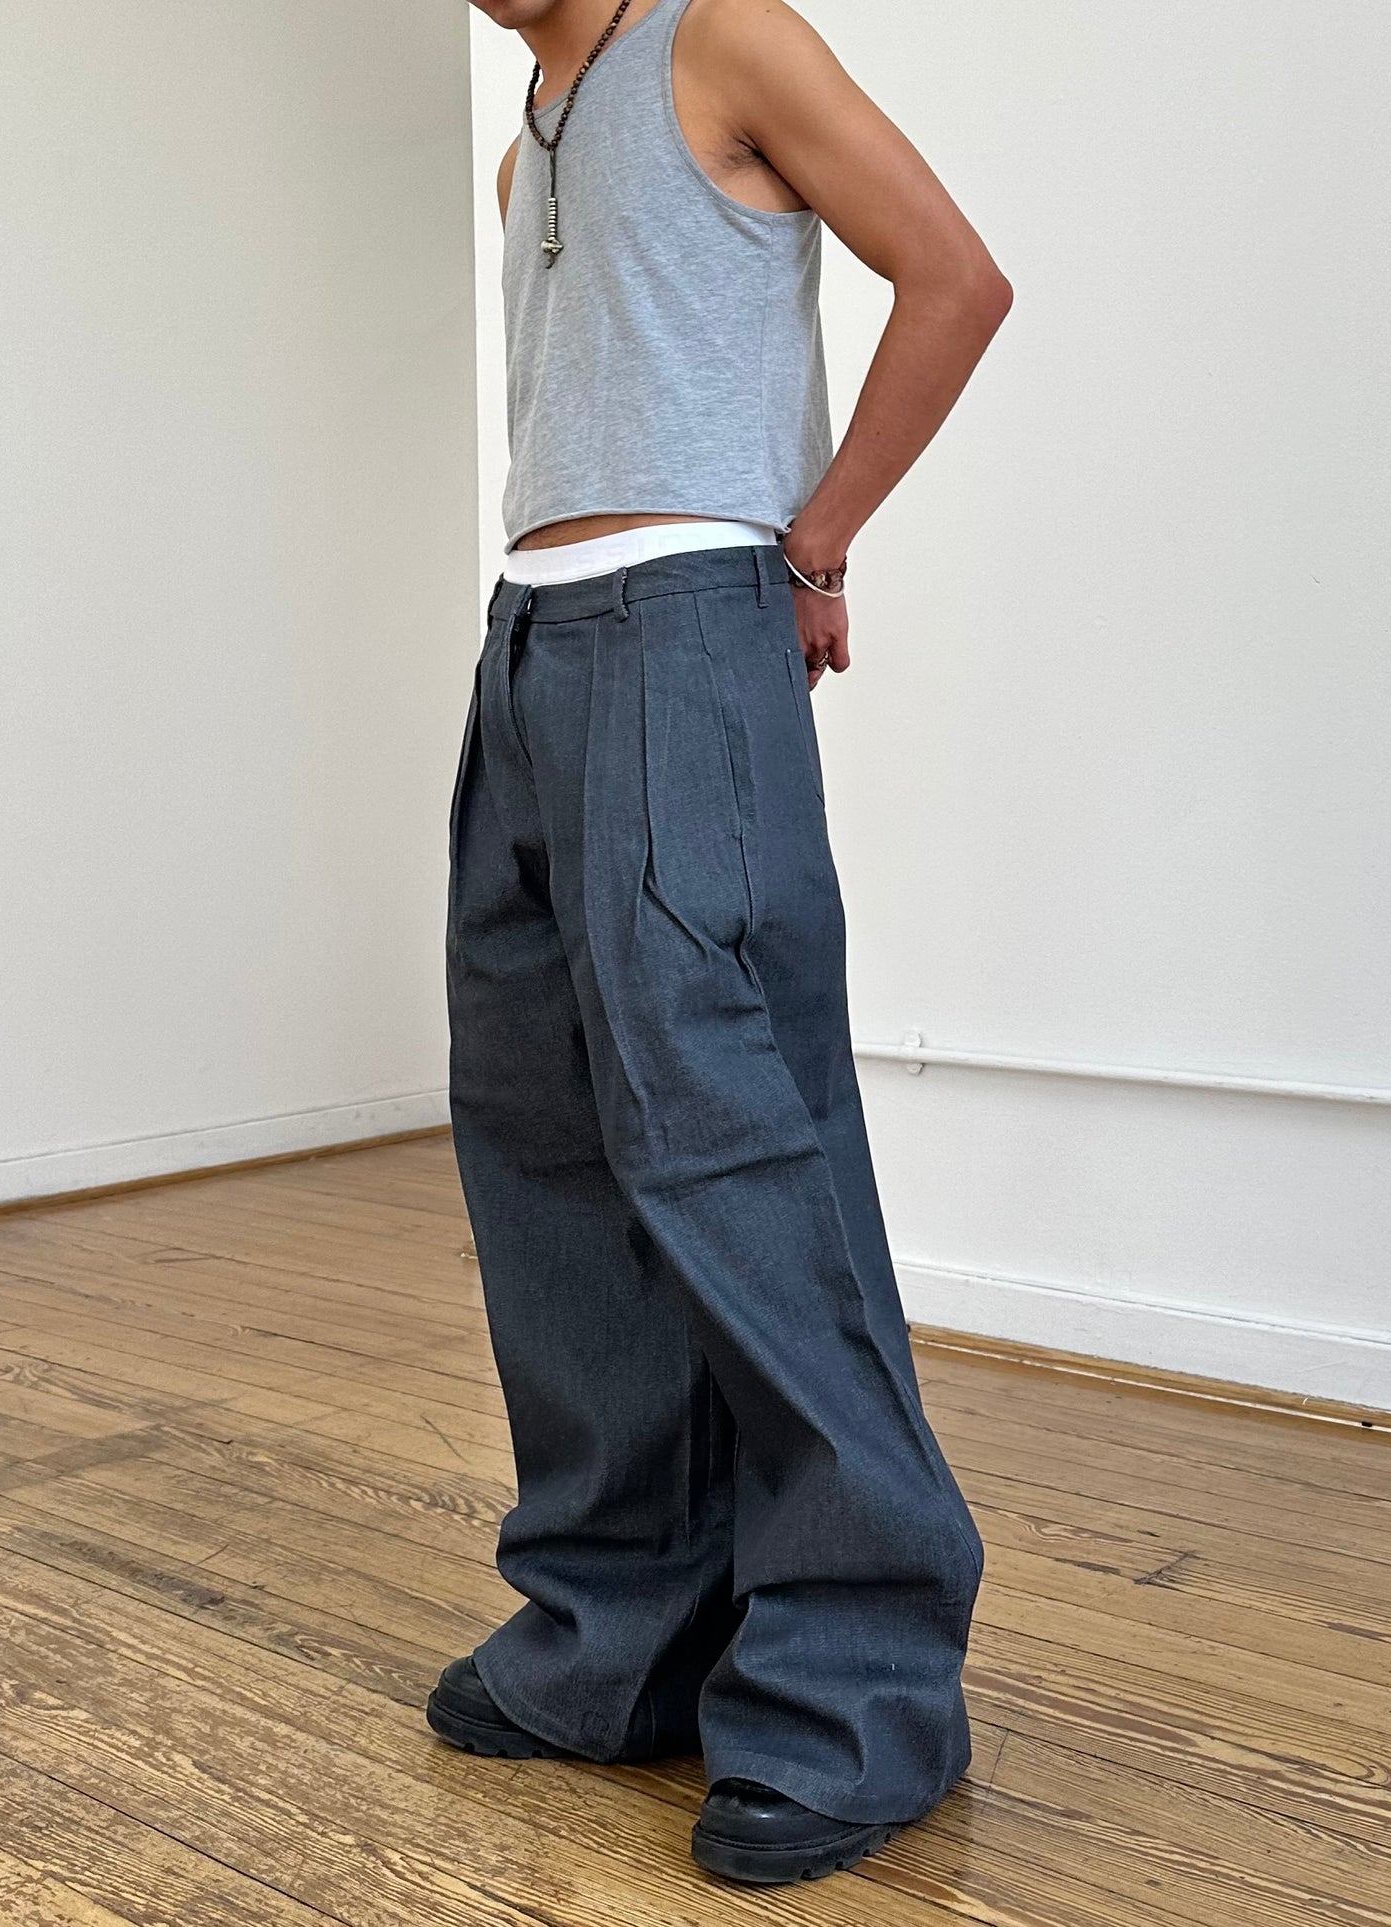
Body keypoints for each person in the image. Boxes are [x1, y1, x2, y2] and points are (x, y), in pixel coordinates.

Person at [427, 0, 1012, 1887]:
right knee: (546, 1151)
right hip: (528, 647)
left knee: (737, 1147)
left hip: (686, 624)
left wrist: (813, 544)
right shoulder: (527, 138)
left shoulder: (722, 37)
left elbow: (955, 281)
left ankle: (858, 1699)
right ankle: (618, 1642)